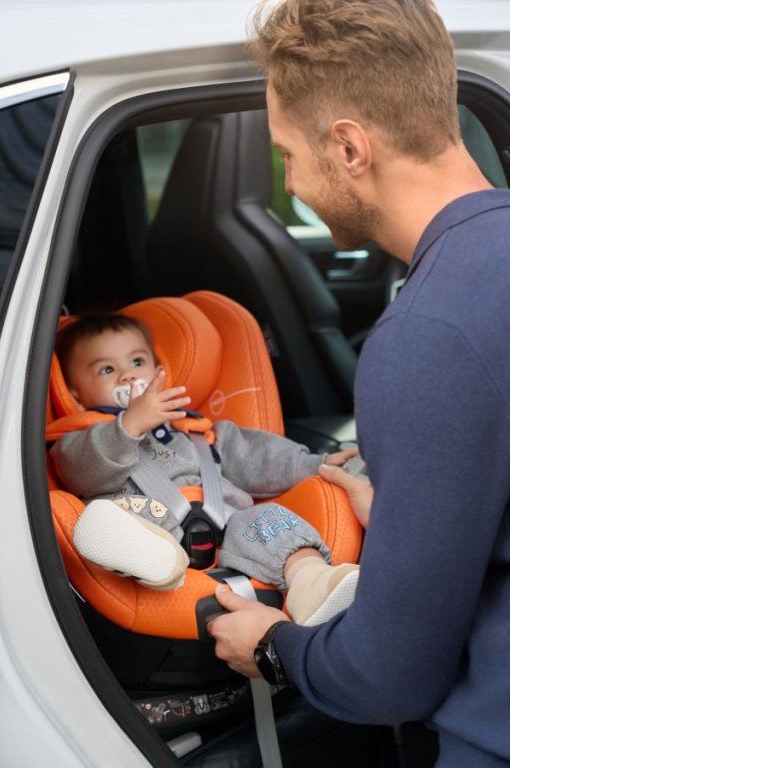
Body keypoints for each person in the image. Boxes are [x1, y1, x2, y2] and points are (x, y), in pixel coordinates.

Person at [206, 1, 510, 766]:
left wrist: (274, 646)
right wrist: (408, 509)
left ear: (348, 147)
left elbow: (388, 679)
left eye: (286, 156)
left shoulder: (426, 337)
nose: (290, 184)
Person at [49, 313, 363, 625]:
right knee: (116, 518)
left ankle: (311, 582)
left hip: (228, 529)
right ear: (75, 395)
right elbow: (82, 473)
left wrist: (314, 463)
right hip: (152, 528)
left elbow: (258, 457)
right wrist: (129, 425)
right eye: (107, 369)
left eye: (137, 362)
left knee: (269, 518)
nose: (127, 376)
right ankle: (154, 561)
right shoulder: (80, 441)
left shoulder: (198, 431)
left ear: (159, 371)